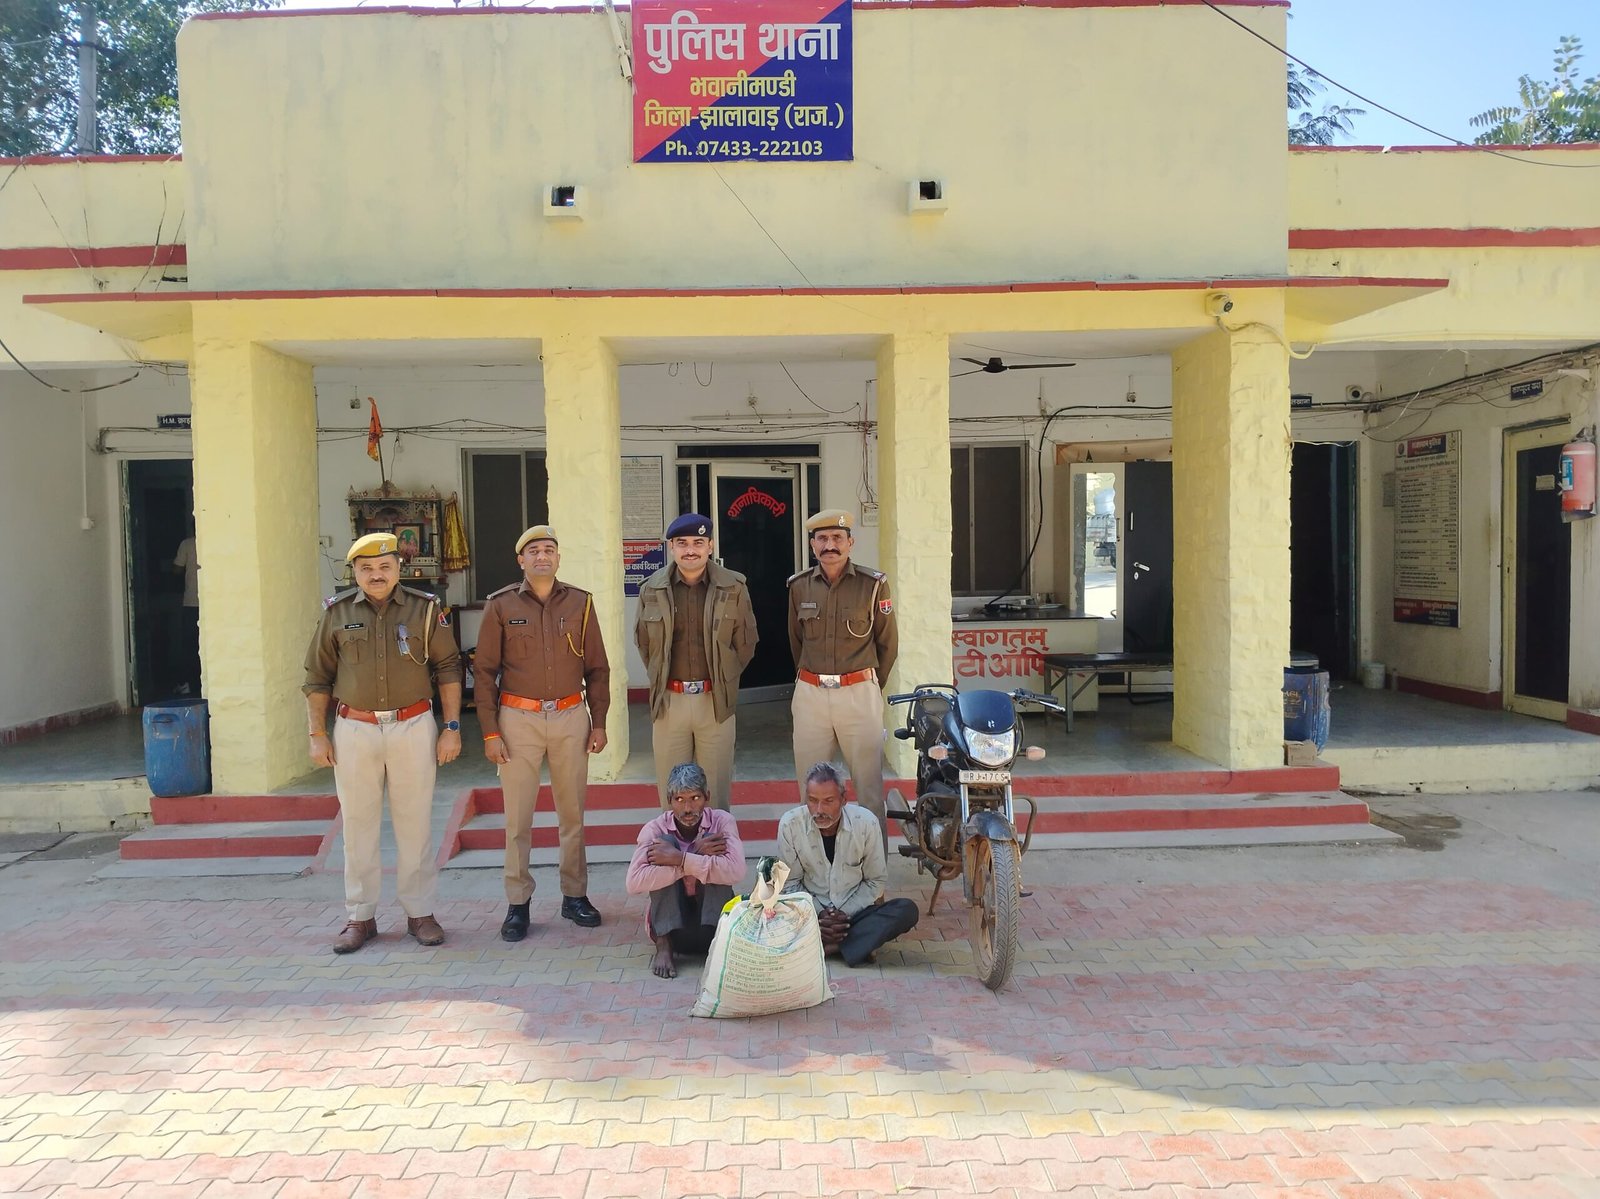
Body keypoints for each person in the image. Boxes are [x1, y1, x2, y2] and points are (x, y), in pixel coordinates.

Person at [303, 532, 462, 954]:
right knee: (357, 827)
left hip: (413, 726)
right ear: (354, 572)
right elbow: (317, 678)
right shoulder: (336, 613)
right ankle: (360, 916)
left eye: (384, 566)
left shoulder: (424, 609)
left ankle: (420, 913)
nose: (376, 574)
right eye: (367, 568)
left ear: (398, 568)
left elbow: (448, 668)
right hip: (355, 729)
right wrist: (317, 734)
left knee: (415, 823)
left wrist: (451, 727)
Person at [475, 524, 612, 940]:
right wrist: (490, 732)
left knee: (572, 814)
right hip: (519, 719)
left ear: (558, 557)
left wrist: (599, 721)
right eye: (533, 551)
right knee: (518, 818)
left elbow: (598, 668)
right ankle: (518, 903)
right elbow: (484, 672)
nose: (542, 556)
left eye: (549, 549)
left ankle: (575, 895)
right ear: (521, 560)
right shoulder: (500, 605)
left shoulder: (581, 603)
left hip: (571, 716)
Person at [634, 513, 758, 811]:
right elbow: (645, 644)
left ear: (710, 546)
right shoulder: (651, 588)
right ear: (672, 547)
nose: (690, 550)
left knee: (715, 792)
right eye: (682, 543)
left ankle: (716, 842)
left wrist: (724, 679)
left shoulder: (734, 587)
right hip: (670, 701)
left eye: (698, 543)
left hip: (714, 701)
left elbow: (745, 643)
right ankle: (674, 842)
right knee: (672, 792)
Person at [787, 509, 898, 840]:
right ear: (812, 545)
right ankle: (813, 861)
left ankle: (872, 866)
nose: (829, 545)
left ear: (850, 542)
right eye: (822, 539)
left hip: (858, 693)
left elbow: (887, 644)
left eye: (837, 537)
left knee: (868, 788)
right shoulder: (799, 586)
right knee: (810, 788)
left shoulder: (873, 585)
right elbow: (796, 641)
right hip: (811, 695)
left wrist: (868, 686)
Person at [776, 762, 919, 967]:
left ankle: (830, 947)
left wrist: (843, 915)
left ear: (844, 799)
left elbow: (875, 881)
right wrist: (820, 915)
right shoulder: (790, 825)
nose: (819, 810)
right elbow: (790, 884)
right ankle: (858, 944)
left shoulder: (866, 823)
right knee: (771, 915)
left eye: (828, 801)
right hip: (810, 913)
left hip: (854, 914)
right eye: (813, 801)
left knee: (906, 910)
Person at [624, 761, 747, 979]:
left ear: (707, 797)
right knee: (665, 843)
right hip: (672, 932)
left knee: (711, 841)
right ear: (669, 801)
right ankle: (663, 947)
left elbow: (737, 871)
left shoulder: (722, 822)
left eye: (695, 798)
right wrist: (686, 862)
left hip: (715, 927)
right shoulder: (655, 829)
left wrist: (681, 858)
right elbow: (633, 882)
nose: (688, 808)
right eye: (679, 800)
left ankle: (720, 947)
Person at [171, 523, 201, 695]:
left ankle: (188, 683)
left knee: (190, 645)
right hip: (211, 603)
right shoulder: (215, 543)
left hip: (191, 602)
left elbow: (177, 570)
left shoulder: (187, 544)